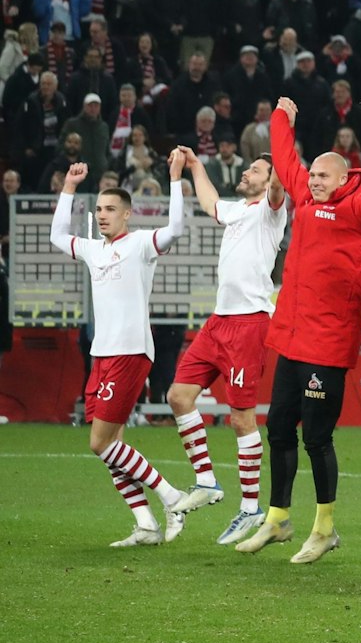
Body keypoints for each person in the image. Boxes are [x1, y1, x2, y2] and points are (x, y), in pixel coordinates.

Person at [234, 97, 361, 562]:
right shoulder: (306, 197)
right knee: (276, 428)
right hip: (291, 338)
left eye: (322, 176)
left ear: (344, 178)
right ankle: (277, 519)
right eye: (311, 176)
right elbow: (284, 157)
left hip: (327, 346)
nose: (312, 181)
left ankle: (325, 527)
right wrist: (281, 117)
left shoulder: (360, 209)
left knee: (316, 437)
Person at [51, 161, 190, 545]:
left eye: (110, 209)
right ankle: (146, 524)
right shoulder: (94, 250)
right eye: (98, 210)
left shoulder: (142, 243)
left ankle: (172, 497)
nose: (102, 215)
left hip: (130, 352)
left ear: (127, 214)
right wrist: (68, 188)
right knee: (112, 447)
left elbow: (176, 229)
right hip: (103, 355)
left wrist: (175, 180)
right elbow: (57, 236)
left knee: (99, 443)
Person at [163, 143, 287, 546]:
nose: (247, 173)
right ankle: (207, 481)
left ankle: (251, 508)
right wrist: (196, 166)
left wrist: (282, 147)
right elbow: (211, 201)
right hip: (218, 321)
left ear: (269, 181)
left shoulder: (272, 212)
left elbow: (278, 186)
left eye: (255, 170)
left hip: (250, 323)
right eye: (248, 168)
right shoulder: (237, 210)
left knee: (240, 418)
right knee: (179, 395)